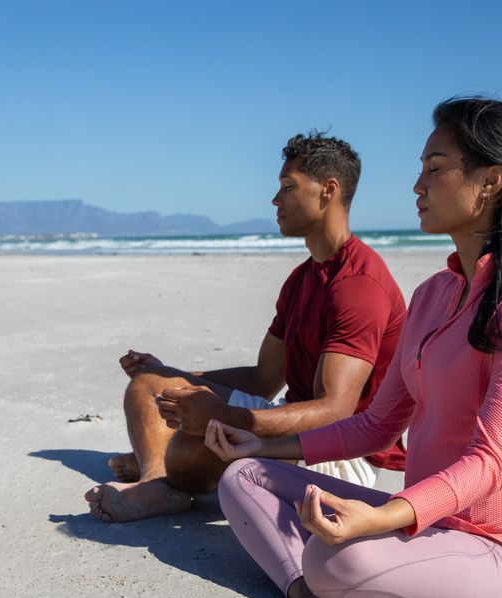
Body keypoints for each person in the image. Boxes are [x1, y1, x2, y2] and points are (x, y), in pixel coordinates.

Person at [206, 97, 502, 598]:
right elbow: (376, 425)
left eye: (434, 169)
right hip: (429, 522)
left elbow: (493, 461)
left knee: (335, 555)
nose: (417, 185)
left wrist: (380, 519)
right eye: (421, 169)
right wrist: (267, 445)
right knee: (245, 476)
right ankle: (318, 596)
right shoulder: (432, 295)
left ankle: (334, 585)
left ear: (491, 181)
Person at [84, 132, 407, 522]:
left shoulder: (359, 284)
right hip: (294, 420)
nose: (275, 199)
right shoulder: (302, 279)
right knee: (148, 384)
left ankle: (160, 467)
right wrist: (173, 374)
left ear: (328, 190)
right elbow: (264, 378)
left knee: (188, 447)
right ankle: (157, 477)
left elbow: (336, 411)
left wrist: (224, 416)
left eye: (288, 187)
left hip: (341, 454)